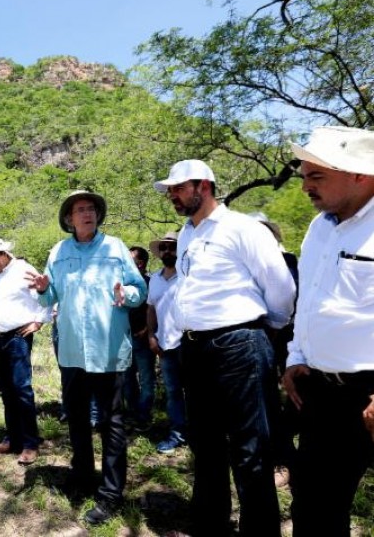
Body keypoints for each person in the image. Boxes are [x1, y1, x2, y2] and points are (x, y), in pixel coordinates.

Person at [153, 160, 296, 537]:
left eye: (178, 188)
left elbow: (281, 290)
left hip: (239, 344)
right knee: (206, 444)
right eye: (170, 189)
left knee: (251, 450)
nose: (172, 195)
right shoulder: (186, 234)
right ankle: (211, 525)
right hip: (195, 348)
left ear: (203, 185)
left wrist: (264, 330)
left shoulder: (242, 229)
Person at [25, 190, 147, 526]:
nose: (87, 213)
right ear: (68, 219)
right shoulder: (58, 251)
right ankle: (81, 477)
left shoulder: (115, 247)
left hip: (108, 351)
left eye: (91, 209)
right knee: (77, 419)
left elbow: (139, 290)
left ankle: (110, 494)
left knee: (111, 424)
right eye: (80, 210)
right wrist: (40, 287)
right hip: (72, 352)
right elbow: (51, 295)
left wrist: (128, 294)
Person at [283, 126, 374, 537]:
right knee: (314, 504)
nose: (305, 187)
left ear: (360, 173)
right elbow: (310, 300)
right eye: (304, 176)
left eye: (316, 176)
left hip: (369, 392)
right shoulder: (319, 227)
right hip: (321, 392)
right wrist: (296, 357)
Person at [0, 238, 50, 465]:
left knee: (21, 388)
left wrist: (38, 321)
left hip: (19, 336)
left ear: (5, 253)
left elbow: (46, 297)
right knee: (5, 388)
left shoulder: (23, 269)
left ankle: (30, 443)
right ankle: (13, 437)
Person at [247, 211, 300, 488]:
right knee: (265, 401)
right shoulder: (244, 265)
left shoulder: (287, 261)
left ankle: (287, 458)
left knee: (293, 399)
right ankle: (279, 456)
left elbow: (289, 299)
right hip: (256, 338)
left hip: (289, 340)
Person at [146, 231, 186, 454]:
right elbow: (151, 308)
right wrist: (152, 335)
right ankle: (177, 434)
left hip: (189, 343)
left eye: (171, 247)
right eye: (163, 248)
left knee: (198, 392)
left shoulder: (188, 276)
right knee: (173, 392)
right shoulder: (155, 279)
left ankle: (201, 434)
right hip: (165, 344)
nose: (167, 251)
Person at [123, 246, 154, 432]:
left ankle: (143, 416)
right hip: (124, 341)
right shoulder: (124, 286)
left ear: (140, 263)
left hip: (143, 340)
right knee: (127, 380)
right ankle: (133, 414)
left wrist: (147, 330)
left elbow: (156, 309)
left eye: (130, 260)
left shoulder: (151, 283)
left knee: (146, 380)